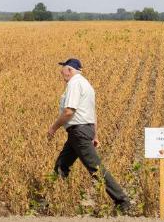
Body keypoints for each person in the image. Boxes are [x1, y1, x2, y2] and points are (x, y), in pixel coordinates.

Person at [47, 58, 132, 214]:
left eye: (63, 69)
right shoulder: (87, 85)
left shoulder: (74, 84)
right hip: (80, 132)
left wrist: (53, 128)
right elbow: (92, 113)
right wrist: (94, 134)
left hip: (78, 132)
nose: (61, 73)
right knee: (61, 165)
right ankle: (54, 199)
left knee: (95, 168)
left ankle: (122, 200)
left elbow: (69, 111)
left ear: (70, 70)